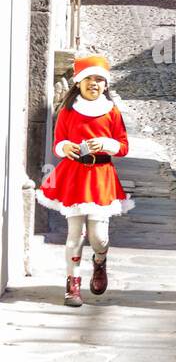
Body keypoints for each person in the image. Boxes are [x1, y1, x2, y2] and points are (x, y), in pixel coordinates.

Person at [36, 54, 133, 307]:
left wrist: (107, 144)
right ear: (78, 82)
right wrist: (65, 147)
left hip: (101, 178)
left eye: (99, 79)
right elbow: (58, 142)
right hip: (75, 177)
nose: (94, 83)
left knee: (99, 236)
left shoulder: (111, 112)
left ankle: (100, 261)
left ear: (106, 84)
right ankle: (73, 285)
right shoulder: (68, 111)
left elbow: (123, 146)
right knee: (75, 234)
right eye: (88, 78)